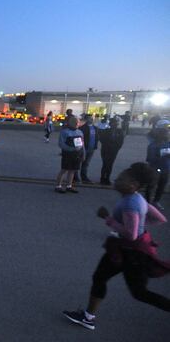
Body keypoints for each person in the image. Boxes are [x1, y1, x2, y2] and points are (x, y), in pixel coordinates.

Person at [62, 163, 169, 331]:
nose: (118, 180)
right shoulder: (137, 199)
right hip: (124, 250)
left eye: (122, 178)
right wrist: (140, 224)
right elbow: (160, 219)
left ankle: (88, 317)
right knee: (100, 277)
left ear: (134, 184)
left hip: (132, 254)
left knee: (139, 293)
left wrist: (108, 218)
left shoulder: (131, 204)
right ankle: (88, 317)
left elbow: (131, 235)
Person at [55, 116, 84, 193]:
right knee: (64, 170)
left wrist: (82, 153)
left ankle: (69, 186)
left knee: (72, 170)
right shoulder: (64, 132)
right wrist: (72, 149)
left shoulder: (80, 132)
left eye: (78, 122)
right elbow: (61, 144)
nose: (78, 124)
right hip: (68, 153)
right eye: (77, 122)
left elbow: (82, 144)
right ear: (72, 123)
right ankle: (58, 186)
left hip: (77, 154)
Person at [146, 125, 169, 211]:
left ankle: (156, 201)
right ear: (160, 135)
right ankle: (148, 204)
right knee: (151, 186)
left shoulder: (168, 144)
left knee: (162, 186)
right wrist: (161, 156)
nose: (168, 135)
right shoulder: (153, 145)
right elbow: (149, 159)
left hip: (166, 169)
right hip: (155, 169)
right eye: (166, 134)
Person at [99, 117, 125, 186]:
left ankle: (107, 178)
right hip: (105, 150)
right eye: (113, 123)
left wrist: (116, 148)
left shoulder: (120, 131)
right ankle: (102, 178)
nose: (115, 125)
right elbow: (102, 140)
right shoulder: (106, 131)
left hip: (114, 151)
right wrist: (108, 145)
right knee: (105, 164)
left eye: (116, 123)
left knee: (110, 165)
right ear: (111, 124)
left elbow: (121, 141)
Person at [79, 114, 99, 183]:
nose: (91, 119)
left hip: (91, 149)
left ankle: (84, 177)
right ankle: (74, 177)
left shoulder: (95, 128)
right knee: (78, 163)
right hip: (83, 148)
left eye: (92, 118)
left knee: (86, 164)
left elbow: (96, 138)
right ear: (86, 119)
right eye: (89, 118)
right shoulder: (82, 128)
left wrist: (95, 146)